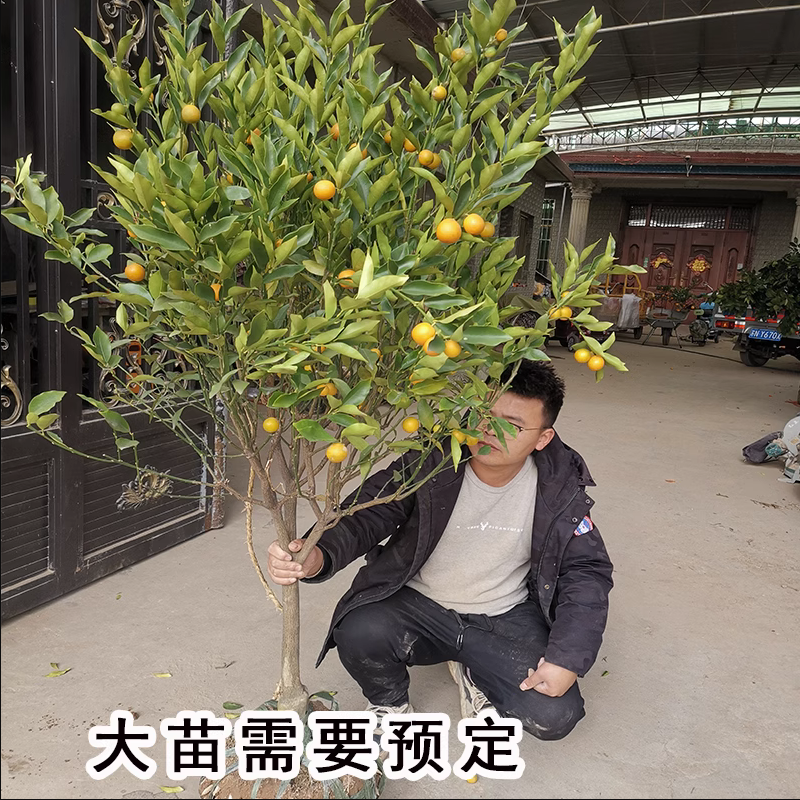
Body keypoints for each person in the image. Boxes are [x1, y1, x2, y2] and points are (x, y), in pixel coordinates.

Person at [266, 360, 613, 740]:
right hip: (420, 606)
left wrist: (566, 659)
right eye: (483, 415)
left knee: (553, 714)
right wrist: (317, 554)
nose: (489, 431)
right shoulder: (433, 460)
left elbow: (586, 572)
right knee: (359, 629)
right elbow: (369, 511)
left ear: (543, 438)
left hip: (503, 615)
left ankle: (475, 670)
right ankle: (389, 703)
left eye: (512, 425)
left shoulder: (560, 488)